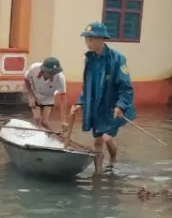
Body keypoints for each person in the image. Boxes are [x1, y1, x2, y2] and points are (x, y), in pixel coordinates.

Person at [70, 22, 135, 175]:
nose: (88, 42)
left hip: (112, 106)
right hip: (96, 105)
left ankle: (113, 160)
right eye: (86, 39)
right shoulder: (90, 59)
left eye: (91, 39)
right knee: (98, 140)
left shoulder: (117, 58)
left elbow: (126, 86)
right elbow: (87, 85)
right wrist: (81, 102)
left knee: (106, 137)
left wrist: (121, 105)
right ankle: (98, 172)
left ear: (101, 39)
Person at [23, 57, 66, 130]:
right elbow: (26, 79)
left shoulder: (60, 77)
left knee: (45, 122)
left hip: (48, 97)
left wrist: (63, 121)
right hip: (35, 93)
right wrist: (31, 96)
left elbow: (63, 98)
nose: (52, 75)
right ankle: (37, 134)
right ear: (43, 70)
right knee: (37, 119)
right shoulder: (34, 68)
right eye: (50, 73)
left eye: (54, 73)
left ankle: (52, 135)